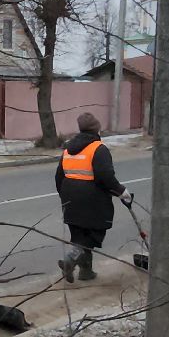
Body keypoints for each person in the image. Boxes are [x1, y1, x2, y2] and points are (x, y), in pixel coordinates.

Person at [54, 111, 132, 283]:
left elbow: (59, 176)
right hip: (92, 198)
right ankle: (71, 259)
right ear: (97, 129)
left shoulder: (68, 149)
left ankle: (86, 272)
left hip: (69, 197)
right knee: (93, 232)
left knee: (79, 234)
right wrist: (121, 191)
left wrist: (64, 197)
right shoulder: (99, 148)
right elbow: (105, 175)